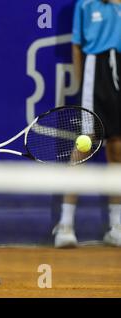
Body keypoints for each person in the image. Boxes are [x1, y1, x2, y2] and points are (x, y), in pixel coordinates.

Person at [53, 0, 121, 248]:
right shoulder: (86, 4)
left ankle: (116, 226)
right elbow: (77, 47)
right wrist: (83, 87)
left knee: (117, 148)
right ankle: (65, 225)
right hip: (97, 71)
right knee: (84, 146)